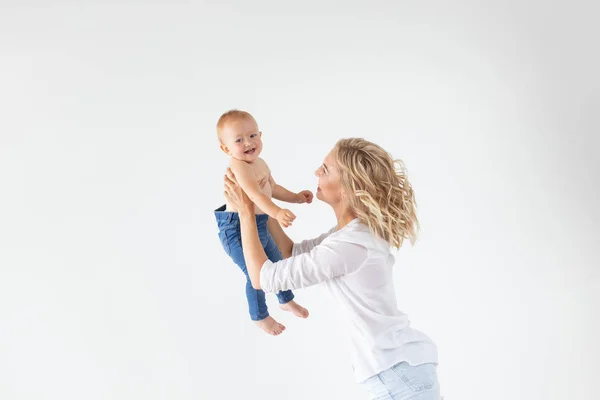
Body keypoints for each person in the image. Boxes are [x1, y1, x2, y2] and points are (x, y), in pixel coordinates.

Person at [223, 138, 441, 399]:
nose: (316, 172)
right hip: (400, 369)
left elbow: (264, 278)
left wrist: (247, 212)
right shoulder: (350, 235)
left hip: (396, 374)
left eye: (325, 170)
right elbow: (290, 253)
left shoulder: (350, 245)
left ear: (348, 190)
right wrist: (262, 204)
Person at [214, 109, 313, 335]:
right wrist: (277, 213)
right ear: (226, 148)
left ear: (260, 135)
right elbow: (255, 195)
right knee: (255, 274)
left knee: (277, 263)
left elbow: (272, 188)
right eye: (239, 140)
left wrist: (296, 197)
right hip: (236, 228)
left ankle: (285, 299)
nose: (248, 143)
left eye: (252, 136)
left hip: (258, 223)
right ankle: (259, 315)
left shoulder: (260, 163)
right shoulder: (238, 166)